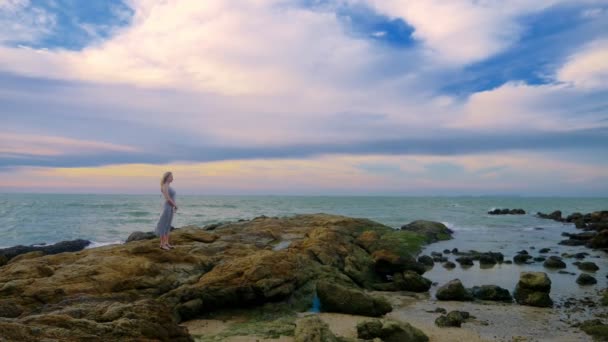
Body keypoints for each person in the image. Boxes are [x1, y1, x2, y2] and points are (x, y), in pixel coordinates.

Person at [156, 171, 177, 250]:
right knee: (163, 225)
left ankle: (167, 243)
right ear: (167, 177)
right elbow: (167, 198)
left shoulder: (168, 185)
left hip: (170, 207)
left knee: (168, 226)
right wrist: (175, 205)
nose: (172, 177)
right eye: (171, 176)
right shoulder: (165, 186)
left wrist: (173, 206)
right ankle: (162, 244)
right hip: (167, 207)